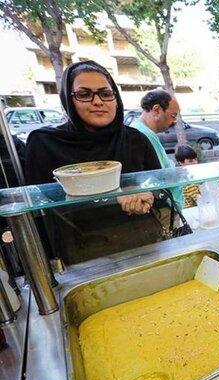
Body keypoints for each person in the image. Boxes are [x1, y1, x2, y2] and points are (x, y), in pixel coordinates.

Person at [24, 60, 163, 264]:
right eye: (84, 94)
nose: (98, 101)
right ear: (69, 100)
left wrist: (146, 196)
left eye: (106, 93)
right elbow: (40, 211)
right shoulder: (45, 143)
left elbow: (161, 189)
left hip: (144, 245)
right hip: (82, 256)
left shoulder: (135, 140)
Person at [129, 89, 184, 209]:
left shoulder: (141, 130)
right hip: (165, 207)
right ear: (157, 110)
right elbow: (162, 176)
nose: (174, 121)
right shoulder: (144, 135)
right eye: (173, 115)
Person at [174, 144, 200, 208]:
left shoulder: (178, 174)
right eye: (190, 161)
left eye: (195, 159)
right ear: (181, 162)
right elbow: (198, 199)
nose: (195, 163)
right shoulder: (188, 179)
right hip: (189, 210)